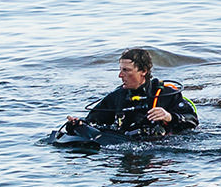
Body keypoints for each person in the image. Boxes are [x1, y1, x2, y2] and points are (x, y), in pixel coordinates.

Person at [63, 49, 196, 135]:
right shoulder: (116, 97)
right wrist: (77, 124)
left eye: (126, 70)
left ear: (143, 71)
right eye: (121, 70)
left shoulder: (166, 94)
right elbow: (92, 122)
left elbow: (193, 120)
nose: (120, 75)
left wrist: (169, 117)